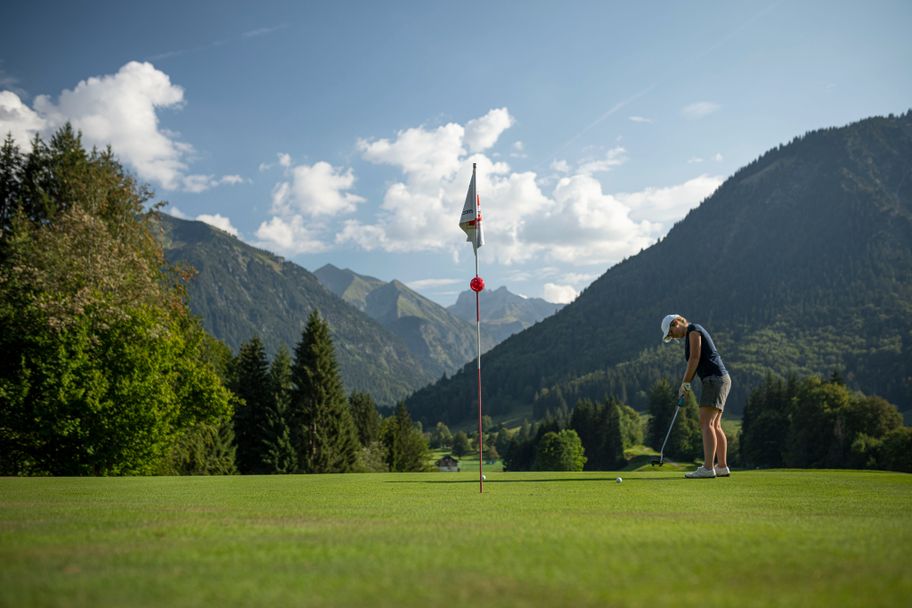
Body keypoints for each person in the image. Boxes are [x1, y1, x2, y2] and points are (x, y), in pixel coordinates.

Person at [660, 314, 732, 478]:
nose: (673, 337)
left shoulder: (693, 329)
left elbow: (694, 357)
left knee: (706, 422)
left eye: (671, 332)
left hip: (714, 380)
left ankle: (708, 468)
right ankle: (721, 466)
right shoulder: (692, 331)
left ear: (676, 322)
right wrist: (686, 384)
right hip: (720, 379)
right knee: (715, 425)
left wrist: (685, 383)